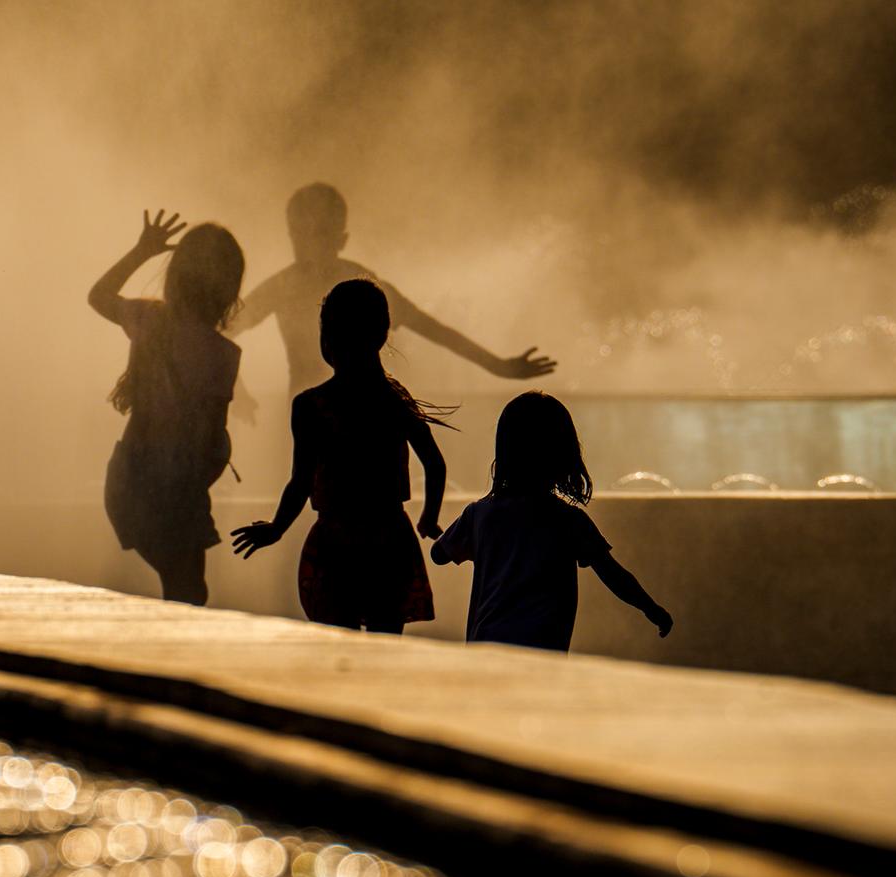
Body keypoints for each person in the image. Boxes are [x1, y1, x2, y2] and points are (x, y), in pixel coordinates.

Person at [230, 279, 449, 633]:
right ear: (380, 336)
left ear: (326, 339)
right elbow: (435, 465)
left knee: (336, 644)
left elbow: (300, 481)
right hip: (388, 538)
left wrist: (277, 527)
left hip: (337, 543)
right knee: (384, 644)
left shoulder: (312, 406)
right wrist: (428, 518)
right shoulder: (394, 402)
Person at [228, 182, 557, 397]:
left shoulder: (362, 284)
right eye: (299, 234)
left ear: (340, 239)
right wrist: (236, 387)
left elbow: (434, 329)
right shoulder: (283, 286)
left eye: (316, 233)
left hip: (366, 414)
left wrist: (497, 365)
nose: (305, 244)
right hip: (306, 417)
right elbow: (224, 330)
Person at [430, 390, 673, 650]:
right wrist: (651, 608)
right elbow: (613, 574)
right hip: (542, 647)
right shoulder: (569, 521)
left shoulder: (479, 515)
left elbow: (439, 554)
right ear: (564, 456)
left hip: (487, 644)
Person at [89, 210, 245, 605]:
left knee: (185, 586)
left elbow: (99, 296)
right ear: (229, 289)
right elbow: (211, 439)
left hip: (131, 476)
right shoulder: (223, 355)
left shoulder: (149, 319)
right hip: (176, 486)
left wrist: (141, 252)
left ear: (176, 274)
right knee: (188, 588)